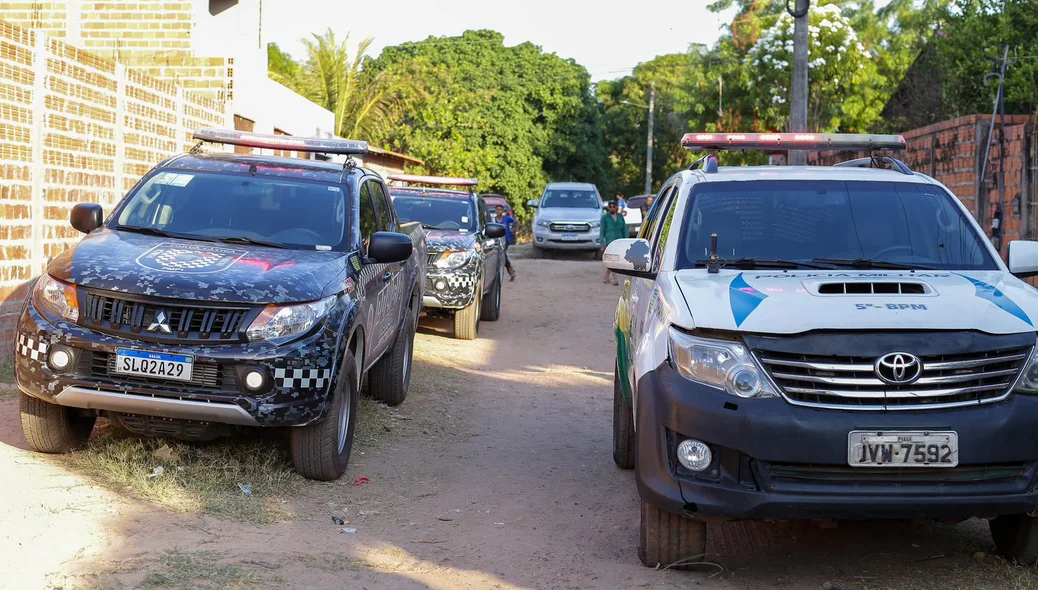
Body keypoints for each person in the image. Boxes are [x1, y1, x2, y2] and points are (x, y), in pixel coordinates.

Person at [600, 200, 628, 285]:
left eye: (613, 206)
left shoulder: (620, 217)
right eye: (610, 206)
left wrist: (627, 241)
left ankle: (606, 277)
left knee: (614, 260)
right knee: (613, 260)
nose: (612, 208)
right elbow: (602, 231)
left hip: (619, 241)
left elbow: (625, 229)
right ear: (608, 208)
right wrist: (602, 244)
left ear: (616, 207)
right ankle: (615, 279)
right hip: (609, 241)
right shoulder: (605, 218)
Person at [494, 204, 517, 281]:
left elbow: (516, 222)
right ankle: (511, 271)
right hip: (498, 240)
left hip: (506, 239)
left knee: (502, 254)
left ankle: (510, 272)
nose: (498, 211)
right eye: (497, 210)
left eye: (500, 209)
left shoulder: (506, 219)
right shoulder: (494, 220)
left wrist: (514, 229)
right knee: (502, 256)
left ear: (502, 211)